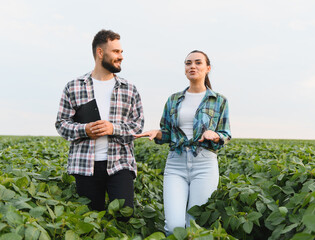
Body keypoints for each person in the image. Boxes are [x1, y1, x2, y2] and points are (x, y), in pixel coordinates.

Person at [134, 50, 231, 235]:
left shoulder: (219, 100)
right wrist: (157, 133)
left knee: (195, 226)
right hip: (176, 164)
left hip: (204, 164)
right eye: (188, 63)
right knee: (173, 226)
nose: (192, 66)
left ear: (207, 68)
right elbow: (168, 133)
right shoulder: (173, 99)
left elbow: (226, 134)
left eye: (197, 62)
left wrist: (215, 135)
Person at [55, 29, 144, 212]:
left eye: (121, 52)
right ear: (100, 52)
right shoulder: (74, 87)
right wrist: (85, 129)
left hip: (121, 164)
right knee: (90, 219)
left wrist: (113, 128)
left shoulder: (129, 89)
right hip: (85, 165)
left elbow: (138, 125)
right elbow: (61, 124)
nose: (121, 56)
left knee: (123, 216)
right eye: (116, 52)